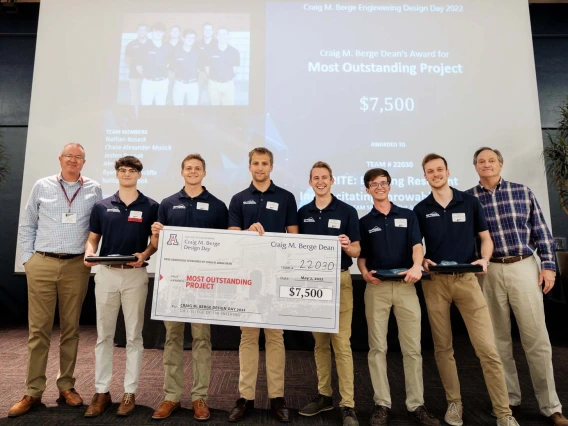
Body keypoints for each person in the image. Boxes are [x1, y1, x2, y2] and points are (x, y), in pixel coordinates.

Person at [413, 153, 519, 426]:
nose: (435, 174)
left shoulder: (470, 202)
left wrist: (484, 258)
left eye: (439, 169)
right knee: (443, 347)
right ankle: (454, 404)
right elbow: (417, 247)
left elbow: (485, 239)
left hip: (468, 282)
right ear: (424, 176)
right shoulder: (420, 209)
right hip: (436, 284)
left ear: (447, 172)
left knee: (487, 348)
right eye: (430, 171)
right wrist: (422, 259)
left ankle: (503, 412)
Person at [466, 147, 568, 425]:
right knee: (498, 340)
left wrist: (548, 266)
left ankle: (551, 406)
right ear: (475, 167)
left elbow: (541, 231)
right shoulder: (468, 199)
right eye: (481, 161)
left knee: (536, 339)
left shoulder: (522, 192)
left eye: (491, 160)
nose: (486, 164)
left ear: (500, 163)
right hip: (489, 272)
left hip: (524, 266)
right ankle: (509, 399)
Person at [9, 143, 102, 417]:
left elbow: (95, 229)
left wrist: (92, 254)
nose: (73, 160)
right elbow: (28, 224)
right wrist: (29, 260)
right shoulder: (42, 185)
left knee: (71, 329)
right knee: (38, 331)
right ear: (60, 159)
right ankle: (33, 391)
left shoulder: (94, 189)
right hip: (43, 263)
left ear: (84, 162)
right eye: (69, 156)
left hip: (76, 266)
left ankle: (66, 386)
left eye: (78, 157)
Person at [357, 168, 440, 426]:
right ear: (367, 189)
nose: (379, 187)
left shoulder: (407, 215)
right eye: (374, 184)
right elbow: (361, 257)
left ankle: (416, 404)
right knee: (377, 348)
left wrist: (417, 266)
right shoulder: (364, 221)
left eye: (383, 183)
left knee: (412, 349)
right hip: (377, 288)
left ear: (390, 186)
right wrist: (363, 273)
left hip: (406, 287)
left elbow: (417, 246)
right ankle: (382, 403)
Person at [150, 154, 228, 421]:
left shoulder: (218, 206)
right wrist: (156, 234)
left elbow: (225, 248)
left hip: (203, 285)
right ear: (181, 172)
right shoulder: (168, 204)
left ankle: (200, 397)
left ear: (204, 173)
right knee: (172, 339)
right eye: (188, 168)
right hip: (173, 284)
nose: (193, 172)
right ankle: (171, 395)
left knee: (202, 339)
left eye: (198, 169)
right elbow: (158, 244)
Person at [82, 156, 158, 417]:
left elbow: (155, 242)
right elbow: (93, 239)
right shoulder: (102, 206)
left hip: (135, 276)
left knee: (134, 336)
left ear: (139, 175)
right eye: (122, 170)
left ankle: (129, 392)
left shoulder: (151, 206)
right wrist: (88, 253)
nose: (127, 174)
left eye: (132, 170)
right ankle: (101, 391)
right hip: (106, 274)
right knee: (103, 335)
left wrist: (145, 254)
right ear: (116, 174)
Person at [227, 147, 298, 423]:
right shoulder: (238, 199)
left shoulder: (286, 198)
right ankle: (245, 398)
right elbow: (232, 237)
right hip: (247, 279)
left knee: (275, 337)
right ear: (249, 167)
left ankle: (277, 398)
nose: (260, 168)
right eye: (255, 163)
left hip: (276, 276)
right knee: (247, 337)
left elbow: (294, 238)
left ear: (272, 167)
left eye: (264, 163)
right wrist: (246, 233)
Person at [297, 161, 360, 426]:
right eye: (315, 178)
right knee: (320, 343)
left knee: (341, 344)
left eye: (324, 177)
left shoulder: (347, 210)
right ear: (310, 182)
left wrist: (348, 247)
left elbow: (357, 251)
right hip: (314, 284)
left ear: (332, 180)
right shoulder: (303, 212)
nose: (320, 181)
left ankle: (348, 404)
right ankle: (325, 396)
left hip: (341, 281)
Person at [137, 22, 170, 106]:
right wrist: (148, 77)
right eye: (156, 31)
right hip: (148, 83)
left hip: (163, 83)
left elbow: (170, 64)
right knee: (146, 107)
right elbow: (138, 67)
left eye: (160, 31)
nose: (158, 34)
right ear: (151, 32)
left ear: (163, 33)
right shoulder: (143, 47)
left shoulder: (168, 47)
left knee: (161, 106)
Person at [205, 27, 240, 106]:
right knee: (214, 110)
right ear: (216, 36)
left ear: (228, 36)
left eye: (224, 34)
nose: (222, 36)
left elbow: (235, 70)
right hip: (213, 84)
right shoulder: (209, 51)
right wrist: (214, 80)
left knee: (228, 111)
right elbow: (207, 69)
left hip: (228, 84)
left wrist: (226, 79)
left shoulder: (234, 52)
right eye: (220, 34)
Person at [170, 29, 200, 106]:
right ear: (183, 38)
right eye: (188, 37)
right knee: (177, 108)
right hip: (179, 84)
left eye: (193, 38)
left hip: (193, 84)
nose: (191, 40)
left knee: (192, 110)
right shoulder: (176, 52)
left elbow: (200, 67)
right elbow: (171, 67)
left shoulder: (198, 52)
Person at [124, 24, 148, 107]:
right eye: (140, 30)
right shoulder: (131, 44)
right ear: (137, 31)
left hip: (149, 77)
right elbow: (127, 60)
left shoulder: (152, 44)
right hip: (134, 76)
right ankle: (134, 117)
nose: (142, 32)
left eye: (144, 30)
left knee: (148, 99)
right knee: (135, 98)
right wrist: (136, 67)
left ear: (147, 31)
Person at [197, 22, 214, 105]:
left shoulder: (217, 43)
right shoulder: (198, 43)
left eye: (209, 29)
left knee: (213, 96)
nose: (207, 31)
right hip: (200, 73)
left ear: (212, 31)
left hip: (213, 74)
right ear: (203, 31)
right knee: (197, 95)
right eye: (205, 29)